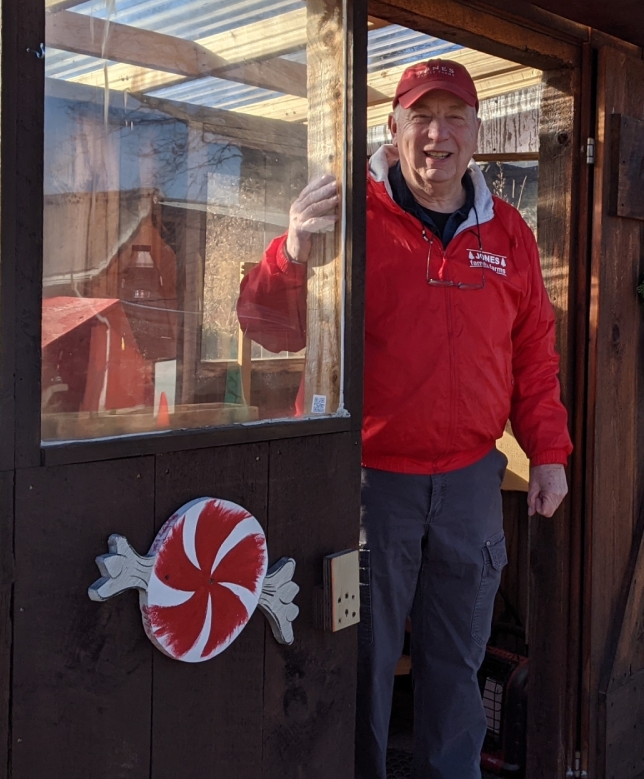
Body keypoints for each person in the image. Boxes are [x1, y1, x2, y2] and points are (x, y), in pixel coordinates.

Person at [237, 59, 571, 779]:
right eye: (422, 117)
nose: (437, 135)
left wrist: (548, 452)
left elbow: (534, 355)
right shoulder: (348, 213)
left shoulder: (507, 233)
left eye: (454, 118)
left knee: (457, 665)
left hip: (470, 490)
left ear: (477, 133)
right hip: (367, 488)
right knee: (358, 661)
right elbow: (267, 326)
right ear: (393, 128)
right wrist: (292, 250)